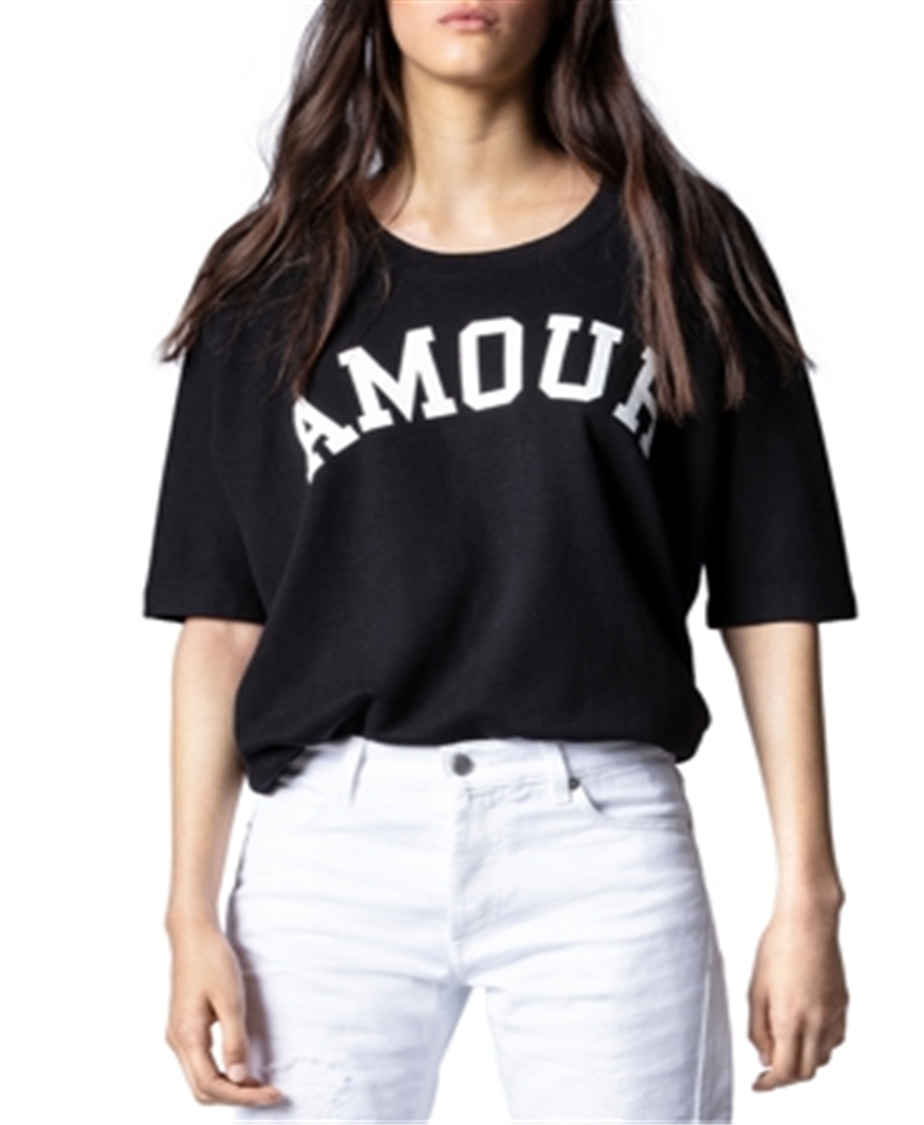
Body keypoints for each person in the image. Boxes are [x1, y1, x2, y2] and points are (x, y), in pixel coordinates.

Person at [144, 1, 857, 1121]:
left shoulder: (680, 241)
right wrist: (189, 912)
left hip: (598, 841)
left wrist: (808, 892)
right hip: (330, 852)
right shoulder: (274, 271)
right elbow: (223, 620)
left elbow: (771, 591)